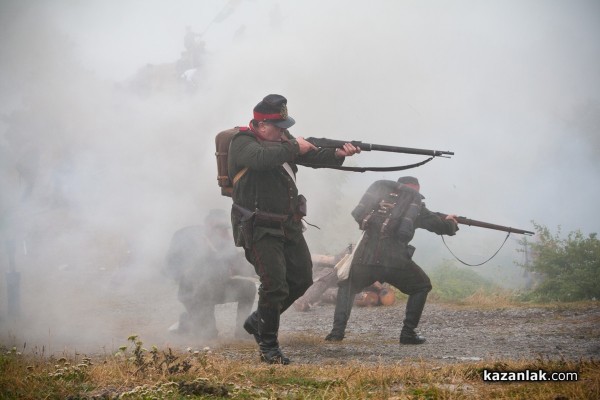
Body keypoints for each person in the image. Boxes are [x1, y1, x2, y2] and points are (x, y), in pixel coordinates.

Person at [227, 94, 361, 364]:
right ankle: (269, 347)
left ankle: (258, 321)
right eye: (278, 126)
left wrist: (337, 153)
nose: (284, 131)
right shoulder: (242, 143)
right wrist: (294, 147)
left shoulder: (282, 142)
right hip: (258, 227)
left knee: (300, 280)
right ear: (261, 125)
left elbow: (311, 155)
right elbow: (262, 159)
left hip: (288, 225)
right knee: (274, 284)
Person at [325, 176, 459, 345]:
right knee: (422, 286)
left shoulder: (379, 201)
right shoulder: (415, 206)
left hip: (365, 258)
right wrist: (452, 223)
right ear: (415, 189)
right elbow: (441, 227)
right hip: (395, 262)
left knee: (347, 286)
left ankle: (337, 333)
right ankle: (408, 334)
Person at [165, 209, 256, 340]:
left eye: (225, 227)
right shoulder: (192, 242)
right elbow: (173, 268)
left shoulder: (226, 240)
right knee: (207, 335)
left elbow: (239, 267)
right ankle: (187, 321)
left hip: (218, 288)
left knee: (248, 287)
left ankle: (242, 329)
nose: (223, 231)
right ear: (208, 225)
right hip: (195, 294)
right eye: (219, 227)